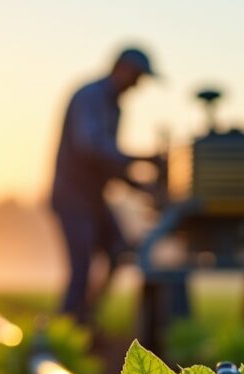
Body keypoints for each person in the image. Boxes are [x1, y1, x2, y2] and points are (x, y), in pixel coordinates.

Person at [51, 47, 162, 324]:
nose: (137, 85)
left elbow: (109, 165)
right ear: (122, 69)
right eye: (136, 77)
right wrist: (143, 158)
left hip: (93, 198)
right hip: (73, 197)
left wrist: (141, 186)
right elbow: (91, 147)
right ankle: (64, 330)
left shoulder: (114, 106)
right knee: (81, 270)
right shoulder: (90, 97)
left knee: (117, 248)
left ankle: (86, 316)